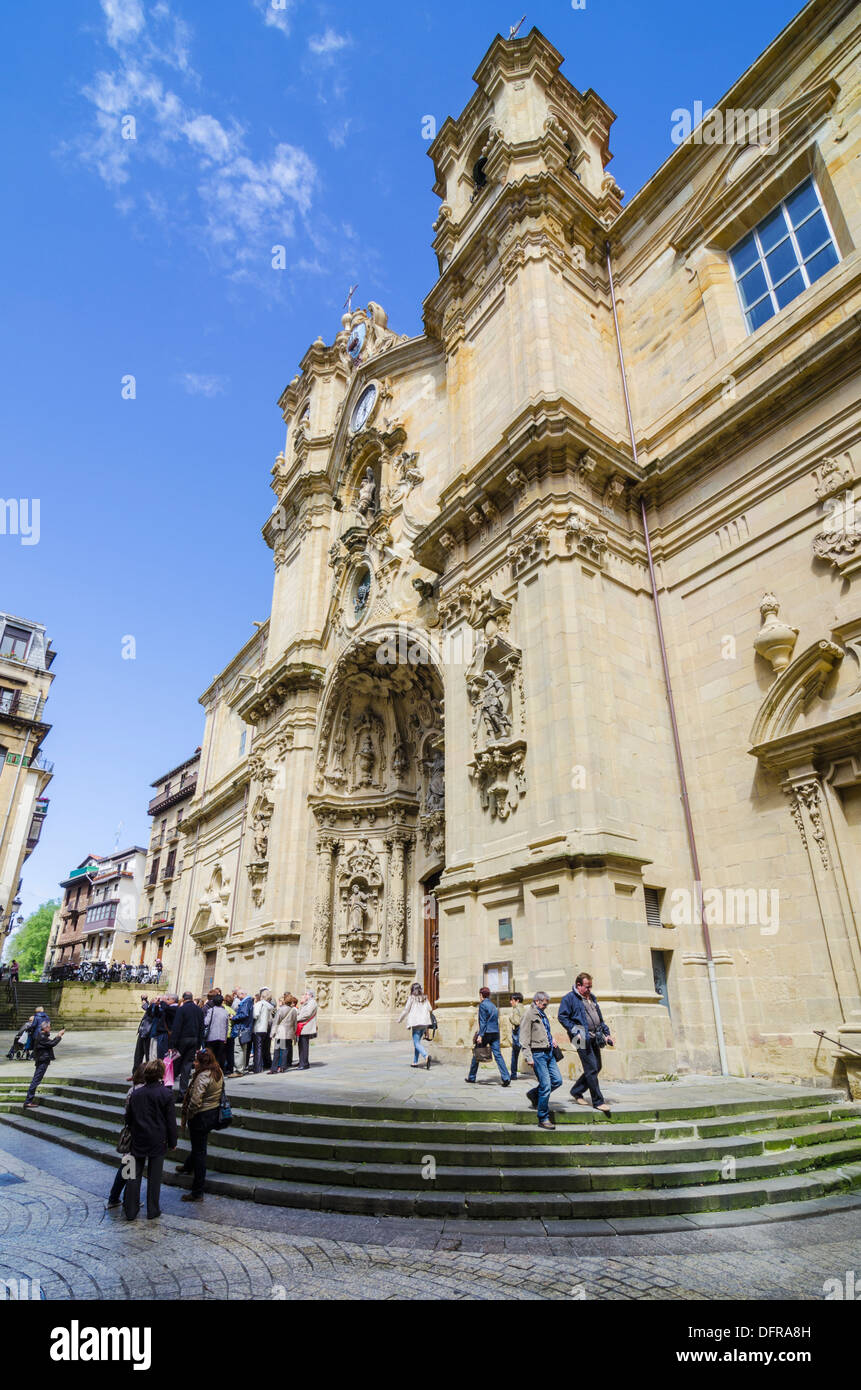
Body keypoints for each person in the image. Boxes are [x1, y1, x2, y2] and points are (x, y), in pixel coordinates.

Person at [123, 1058, 177, 1220]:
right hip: (157, 1139)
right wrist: (172, 1141)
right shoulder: (166, 1094)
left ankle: (130, 1210)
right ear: (161, 1074)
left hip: (138, 1138)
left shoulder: (136, 1093)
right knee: (154, 1177)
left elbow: (128, 1117)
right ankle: (153, 1209)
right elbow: (170, 1122)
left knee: (133, 1175)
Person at [557, 972, 614, 1114]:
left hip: (595, 1036)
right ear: (578, 985)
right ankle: (598, 1102)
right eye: (587, 987)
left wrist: (607, 1034)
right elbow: (562, 1017)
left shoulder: (592, 998)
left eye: (591, 987)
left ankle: (576, 1091)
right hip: (579, 1037)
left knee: (597, 1066)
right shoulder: (569, 998)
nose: (590, 990)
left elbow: (599, 1019)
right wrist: (576, 1031)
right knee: (591, 1068)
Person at [176, 1047, 223, 1202]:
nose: (194, 1063)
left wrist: (189, 1115)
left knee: (199, 1152)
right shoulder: (218, 1071)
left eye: (196, 1061)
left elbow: (195, 1101)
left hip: (201, 1116)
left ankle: (197, 1192)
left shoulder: (203, 1076)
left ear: (202, 1063)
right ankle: (187, 1166)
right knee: (198, 1145)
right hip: (213, 1114)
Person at [106, 1063, 148, 1209]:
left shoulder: (132, 1090)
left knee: (127, 1165)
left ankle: (116, 1197)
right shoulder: (143, 1092)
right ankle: (128, 1199)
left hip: (131, 1132)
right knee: (130, 1168)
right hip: (138, 1134)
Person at [519, 991, 563, 1129]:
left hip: (549, 1052)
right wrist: (528, 1057)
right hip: (538, 1054)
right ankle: (543, 1118)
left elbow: (544, 1030)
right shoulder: (529, 1014)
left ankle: (533, 1094)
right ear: (537, 1001)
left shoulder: (542, 1014)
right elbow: (524, 1037)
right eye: (544, 1004)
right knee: (545, 1085)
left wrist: (551, 1039)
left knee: (557, 1080)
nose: (546, 1006)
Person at [465, 986, 510, 1086]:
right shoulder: (493, 1005)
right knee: (498, 1055)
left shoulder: (483, 1005)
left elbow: (483, 1021)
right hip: (495, 1032)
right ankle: (506, 1077)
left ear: (481, 995)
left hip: (486, 1033)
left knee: (476, 1053)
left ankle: (472, 1077)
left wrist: (480, 1035)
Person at [168, 991, 204, 1097]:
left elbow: (176, 1027)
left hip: (182, 1040)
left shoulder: (181, 1009)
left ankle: (168, 1088)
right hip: (194, 1040)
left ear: (183, 999)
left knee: (175, 1064)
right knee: (187, 1065)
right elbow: (201, 1028)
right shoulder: (199, 1010)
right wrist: (199, 1045)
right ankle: (183, 1092)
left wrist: (172, 1045)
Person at [23, 1022, 66, 1107]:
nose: (50, 1028)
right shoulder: (42, 1037)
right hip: (42, 1061)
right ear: (45, 1028)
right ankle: (28, 1101)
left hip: (42, 1060)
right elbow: (52, 1043)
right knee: (36, 1080)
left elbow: (50, 1042)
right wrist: (59, 1035)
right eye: (49, 1027)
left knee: (36, 1080)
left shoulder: (42, 1035)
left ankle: (28, 1101)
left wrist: (58, 1036)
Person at [397, 982, 433, 1069]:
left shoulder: (412, 998)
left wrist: (399, 1019)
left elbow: (406, 1010)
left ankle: (426, 1056)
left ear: (413, 990)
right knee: (417, 1043)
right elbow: (430, 1009)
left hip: (416, 1023)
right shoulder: (425, 998)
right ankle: (415, 1061)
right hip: (424, 1023)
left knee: (416, 1043)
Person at [270, 994, 297, 1073]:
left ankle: (274, 1068)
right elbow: (295, 1023)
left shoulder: (281, 1009)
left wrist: (272, 1033)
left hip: (280, 1033)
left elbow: (276, 1022)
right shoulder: (294, 1010)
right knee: (285, 1050)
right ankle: (282, 1067)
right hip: (288, 1033)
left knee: (277, 1050)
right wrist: (294, 1033)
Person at [202, 991, 229, 1070]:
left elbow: (206, 1022)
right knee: (219, 1055)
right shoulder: (225, 1012)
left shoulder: (211, 1010)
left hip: (211, 1036)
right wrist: (225, 1038)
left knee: (211, 1055)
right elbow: (226, 1025)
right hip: (221, 1036)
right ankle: (218, 1070)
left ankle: (210, 1070)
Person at [230, 988, 254, 1075]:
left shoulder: (246, 1002)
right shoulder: (248, 1001)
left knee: (238, 1050)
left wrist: (234, 1017)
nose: (237, 997)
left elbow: (244, 1014)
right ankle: (241, 1068)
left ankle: (239, 1070)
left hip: (241, 1029)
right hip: (245, 1029)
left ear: (243, 994)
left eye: (238, 995)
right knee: (243, 1050)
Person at [252, 988, 274, 1072]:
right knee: (264, 1048)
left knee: (258, 1048)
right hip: (265, 1029)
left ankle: (257, 1067)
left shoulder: (259, 1004)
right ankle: (265, 1064)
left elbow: (255, 1015)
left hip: (258, 1028)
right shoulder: (269, 1006)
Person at [295, 988, 317, 1069]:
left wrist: (297, 1018)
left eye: (307, 994)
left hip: (306, 1027)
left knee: (304, 1046)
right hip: (302, 1026)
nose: (305, 995)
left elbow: (307, 1014)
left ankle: (304, 1063)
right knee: (301, 1045)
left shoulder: (312, 1002)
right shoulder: (307, 1003)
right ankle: (301, 1061)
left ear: (311, 995)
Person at [509, 992, 525, 1079]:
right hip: (525, 1035)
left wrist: (510, 1018)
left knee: (514, 1055)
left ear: (517, 1000)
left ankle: (513, 1074)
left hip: (518, 1036)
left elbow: (516, 1022)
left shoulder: (516, 1010)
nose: (510, 1002)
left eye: (512, 1000)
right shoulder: (525, 1009)